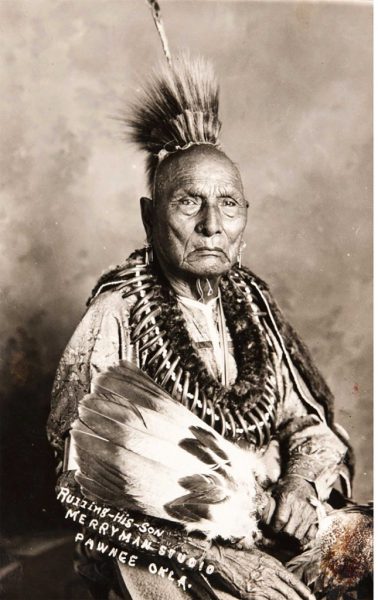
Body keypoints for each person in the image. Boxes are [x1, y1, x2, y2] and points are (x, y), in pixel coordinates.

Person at [47, 55, 354, 600]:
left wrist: (300, 485)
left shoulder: (253, 303)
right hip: (154, 544)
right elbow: (81, 483)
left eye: (228, 204)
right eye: (189, 202)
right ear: (149, 216)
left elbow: (308, 427)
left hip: (264, 521)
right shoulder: (115, 313)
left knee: (364, 550)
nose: (212, 225)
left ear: (245, 220)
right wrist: (224, 561)